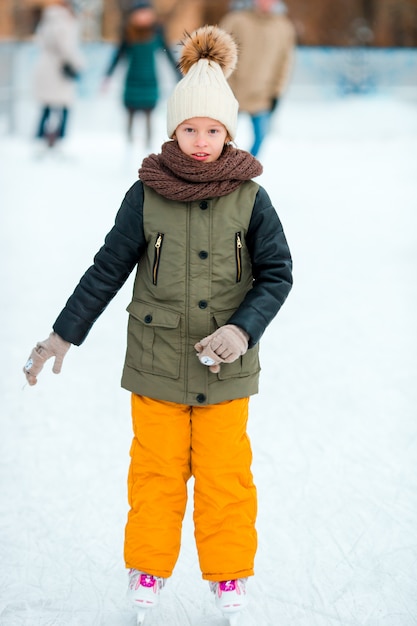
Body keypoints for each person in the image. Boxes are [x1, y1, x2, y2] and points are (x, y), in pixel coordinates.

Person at [23, 25, 293, 624]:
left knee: (226, 478)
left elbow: (278, 275)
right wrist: (62, 334)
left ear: (229, 131)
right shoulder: (146, 195)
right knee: (155, 473)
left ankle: (228, 575)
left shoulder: (251, 198)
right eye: (190, 128)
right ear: (174, 129)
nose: (201, 141)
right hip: (155, 365)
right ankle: (147, 565)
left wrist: (242, 329)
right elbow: (106, 270)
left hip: (226, 368)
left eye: (213, 129)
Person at [220, 0, 296, 156]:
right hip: (232, 93)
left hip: (263, 95)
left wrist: (277, 92)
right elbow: (220, 52)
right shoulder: (236, 20)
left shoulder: (284, 27)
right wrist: (224, 85)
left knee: (261, 138)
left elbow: (285, 63)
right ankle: (217, 173)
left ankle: (244, 174)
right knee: (219, 138)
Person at [102, 0, 179, 145]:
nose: (144, 16)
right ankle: (129, 144)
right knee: (130, 111)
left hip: (150, 78)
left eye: (146, 13)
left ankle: (148, 145)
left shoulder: (157, 32)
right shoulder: (128, 32)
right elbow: (118, 55)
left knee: (149, 112)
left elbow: (167, 53)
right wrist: (108, 75)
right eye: (140, 13)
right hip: (132, 78)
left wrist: (178, 73)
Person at [33, 0, 85, 149]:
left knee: (47, 106)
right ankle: (59, 140)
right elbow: (66, 48)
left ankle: (41, 140)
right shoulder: (65, 21)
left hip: (45, 68)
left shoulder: (47, 19)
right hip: (60, 71)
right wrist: (79, 64)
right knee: (64, 107)